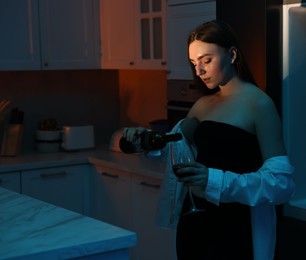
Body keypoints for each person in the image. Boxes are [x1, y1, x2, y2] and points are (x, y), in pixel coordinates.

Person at [122, 20, 296, 260]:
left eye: (206, 60)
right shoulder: (202, 105)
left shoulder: (259, 105)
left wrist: (213, 180)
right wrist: (145, 139)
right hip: (194, 220)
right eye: (194, 63)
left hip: (235, 225)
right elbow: (173, 147)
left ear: (232, 54)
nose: (199, 71)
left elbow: (281, 184)